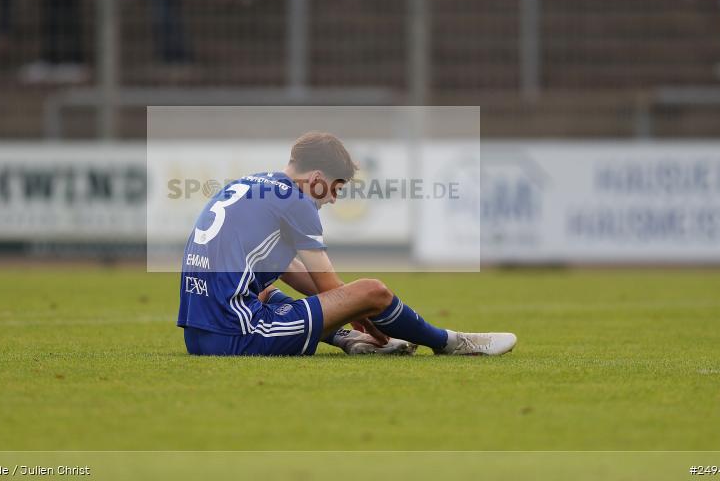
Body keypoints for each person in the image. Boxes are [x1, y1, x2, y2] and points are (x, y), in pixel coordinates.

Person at [178, 131, 517, 357]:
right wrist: (362, 310)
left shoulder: (252, 184)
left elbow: (285, 268)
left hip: (198, 334)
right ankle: (450, 342)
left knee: (267, 292)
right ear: (316, 180)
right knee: (373, 290)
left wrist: (348, 313)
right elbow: (331, 288)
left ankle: (346, 339)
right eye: (336, 189)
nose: (334, 200)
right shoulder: (297, 199)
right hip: (235, 334)